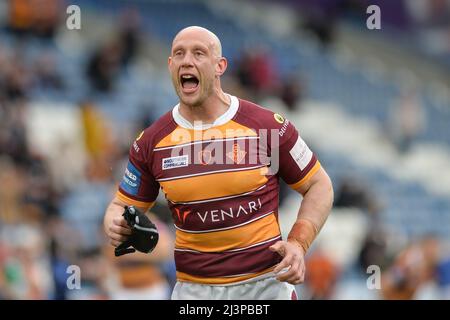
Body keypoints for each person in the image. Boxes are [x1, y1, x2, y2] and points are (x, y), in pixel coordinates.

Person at [103, 26, 334, 300]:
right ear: (170, 65)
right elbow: (120, 207)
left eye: (198, 53)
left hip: (265, 289)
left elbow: (319, 185)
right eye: (179, 54)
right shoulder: (151, 142)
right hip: (195, 294)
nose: (187, 60)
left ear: (219, 66)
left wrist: (298, 243)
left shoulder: (266, 127)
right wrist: (115, 224)